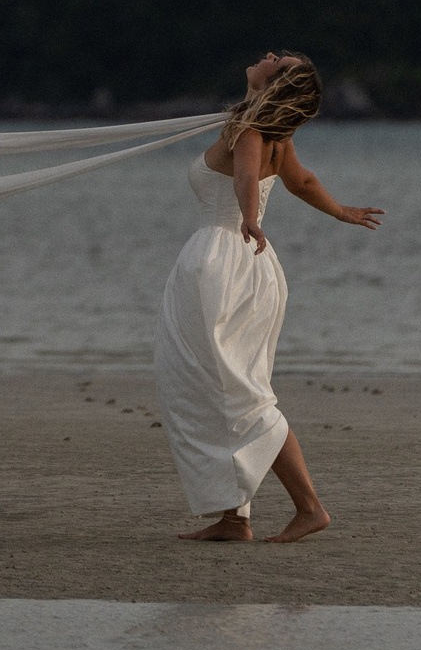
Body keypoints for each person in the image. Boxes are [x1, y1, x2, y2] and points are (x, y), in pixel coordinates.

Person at [154, 51, 382, 543]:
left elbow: (244, 179)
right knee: (221, 388)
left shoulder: (251, 133)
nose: (266, 55)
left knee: (237, 392)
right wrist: (341, 211)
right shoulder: (266, 130)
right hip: (244, 266)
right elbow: (301, 182)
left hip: (223, 263)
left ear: (274, 81)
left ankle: (310, 507)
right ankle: (235, 518)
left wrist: (250, 216)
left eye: (276, 60)